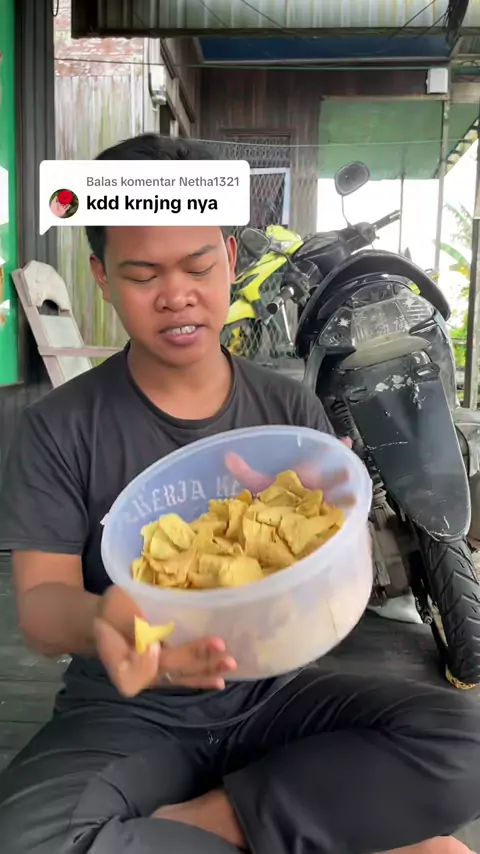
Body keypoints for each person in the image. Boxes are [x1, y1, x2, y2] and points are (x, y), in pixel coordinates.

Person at [0, 134, 479, 854]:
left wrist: (335, 529)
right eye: (142, 274)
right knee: (26, 838)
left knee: (464, 738)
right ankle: (309, 830)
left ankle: (214, 823)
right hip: (132, 712)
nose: (177, 295)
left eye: (198, 266)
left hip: (273, 695)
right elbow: (41, 607)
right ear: (101, 278)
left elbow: (327, 599)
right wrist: (104, 620)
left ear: (229, 258)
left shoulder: (289, 414)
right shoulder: (59, 426)